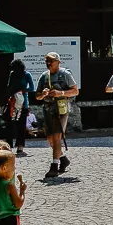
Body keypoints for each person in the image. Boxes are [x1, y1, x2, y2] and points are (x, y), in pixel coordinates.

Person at [34, 51, 78, 179]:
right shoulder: (44, 76)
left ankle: (54, 166)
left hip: (61, 110)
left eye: (51, 61)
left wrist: (61, 93)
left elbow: (75, 91)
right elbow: (37, 96)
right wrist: (42, 94)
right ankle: (63, 158)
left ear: (58, 62)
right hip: (48, 109)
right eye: (47, 61)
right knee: (49, 138)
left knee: (57, 136)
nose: (48, 63)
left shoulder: (65, 74)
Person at [4, 60, 34, 156]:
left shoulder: (27, 75)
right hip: (13, 102)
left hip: (23, 102)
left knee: (21, 126)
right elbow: (8, 86)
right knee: (10, 124)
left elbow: (32, 88)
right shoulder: (12, 74)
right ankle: (8, 145)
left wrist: (22, 90)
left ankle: (20, 146)